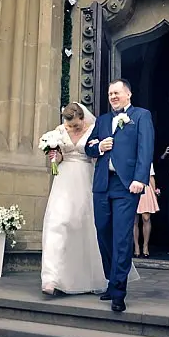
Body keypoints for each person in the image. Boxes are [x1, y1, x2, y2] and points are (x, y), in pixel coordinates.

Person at [86, 79, 155, 312]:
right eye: (110, 93)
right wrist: (99, 148)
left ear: (128, 94)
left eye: (116, 92)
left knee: (121, 238)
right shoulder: (103, 120)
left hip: (126, 186)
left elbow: (146, 148)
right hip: (102, 185)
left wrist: (140, 178)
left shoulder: (141, 116)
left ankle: (118, 290)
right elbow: (88, 147)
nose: (113, 96)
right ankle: (111, 279)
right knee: (103, 232)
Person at [41, 104, 125, 296]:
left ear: (82, 118)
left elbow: (97, 154)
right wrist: (54, 156)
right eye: (69, 125)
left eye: (76, 125)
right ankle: (51, 278)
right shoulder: (59, 131)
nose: (72, 129)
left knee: (84, 226)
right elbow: (59, 158)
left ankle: (87, 277)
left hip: (86, 179)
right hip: (63, 180)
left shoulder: (93, 128)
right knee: (57, 223)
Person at [133, 164, 160, 258]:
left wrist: (154, 191)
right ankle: (136, 246)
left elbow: (151, 176)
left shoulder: (146, 155)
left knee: (146, 217)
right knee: (133, 219)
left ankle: (145, 246)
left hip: (145, 185)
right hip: (131, 185)